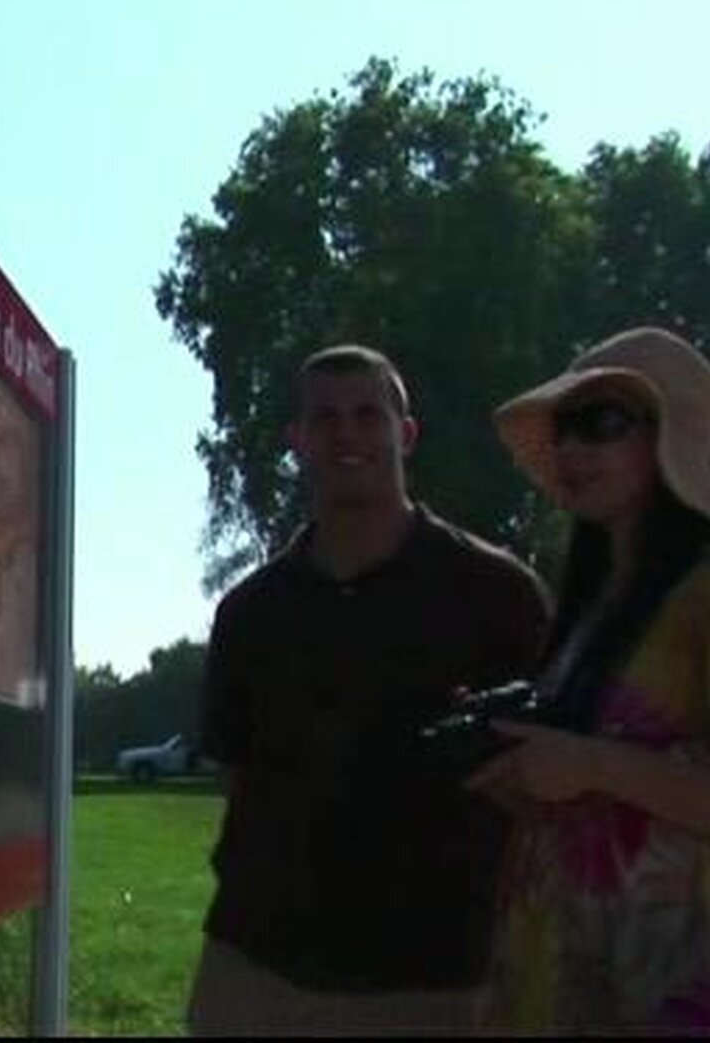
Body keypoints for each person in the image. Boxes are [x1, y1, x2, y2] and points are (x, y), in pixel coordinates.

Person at [466, 326, 710, 1035]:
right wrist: (525, 776)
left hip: (678, 978)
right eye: (564, 428)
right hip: (560, 973)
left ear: (669, 438)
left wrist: (593, 763)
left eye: (601, 423)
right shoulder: (588, 611)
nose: (572, 449)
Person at [188, 344, 552, 1036]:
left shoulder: (498, 594)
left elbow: (548, 781)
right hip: (259, 969)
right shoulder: (251, 611)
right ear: (298, 440)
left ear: (405, 433)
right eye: (325, 418)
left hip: (439, 978)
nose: (346, 433)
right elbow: (236, 771)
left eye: (367, 415)